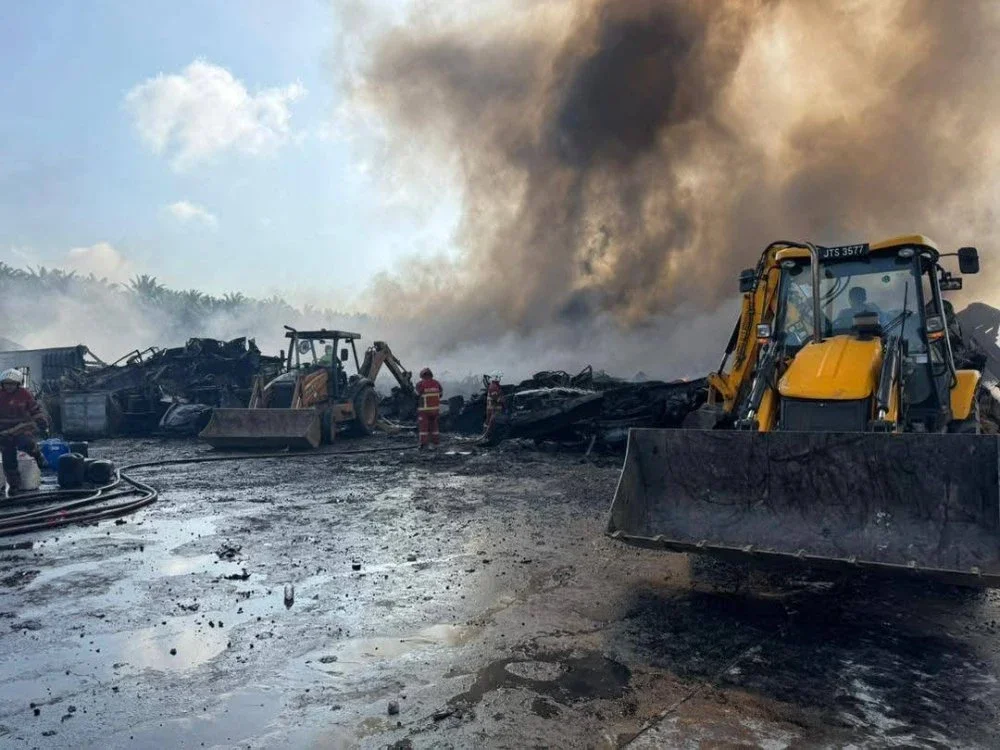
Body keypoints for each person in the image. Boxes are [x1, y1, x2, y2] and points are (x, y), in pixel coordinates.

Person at [0, 369, 48, 495]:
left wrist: (42, 423)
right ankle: (14, 485)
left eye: (12, 383)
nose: (9, 386)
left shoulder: (25, 394)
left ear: (18, 384)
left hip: (23, 428)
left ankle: (38, 456)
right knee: (8, 458)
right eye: (6, 383)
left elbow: (35, 410)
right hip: (4, 432)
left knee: (26, 444)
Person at [415, 367, 442, 449]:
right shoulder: (437, 383)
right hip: (435, 410)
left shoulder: (420, 384)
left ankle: (423, 444)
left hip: (424, 411)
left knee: (424, 428)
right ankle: (435, 443)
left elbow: (417, 395)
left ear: (422, 376)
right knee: (434, 427)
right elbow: (440, 394)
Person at [483, 373, 504, 437]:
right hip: (494, 408)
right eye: (499, 377)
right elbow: (497, 398)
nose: (500, 379)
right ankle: (487, 435)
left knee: (488, 421)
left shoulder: (494, 385)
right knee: (492, 422)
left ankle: (486, 435)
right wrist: (504, 400)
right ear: (496, 377)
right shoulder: (493, 387)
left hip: (493, 407)